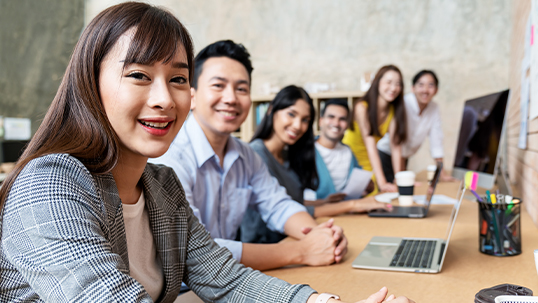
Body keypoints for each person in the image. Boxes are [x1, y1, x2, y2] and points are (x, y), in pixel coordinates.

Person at [0, 3, 416, 303]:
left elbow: (226, 279)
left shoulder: (162, 187)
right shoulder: (49, 182)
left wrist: (320, 302)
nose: (164, 98)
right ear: (91, 84)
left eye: (177, 78)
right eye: (140, 76)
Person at [151, 40, 348, 271]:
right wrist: (301, 251)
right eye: (218, 85)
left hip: (230, 279)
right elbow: (193, 251)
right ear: (191, 96)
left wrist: (322, 237)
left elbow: (278, 205)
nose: (231, 98)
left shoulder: (245, 155)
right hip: (182, 289)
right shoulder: (168, 157)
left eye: (241, 89)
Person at [240, 87, 389, 244]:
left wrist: (324, 202)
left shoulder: (288, 155)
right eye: (291, 114)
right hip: (267, 245)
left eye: (305, 120)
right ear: (271, 110)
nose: (298, 125)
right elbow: (281, 210)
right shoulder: (256, 154)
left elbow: (291, 202)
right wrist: (353, 204)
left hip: (291, 238)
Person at [377, 70, 454, 182]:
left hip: (404, 157)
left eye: (431, 85)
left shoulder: (434, 108)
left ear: (436, 90)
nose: (425, 90)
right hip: (386, 155)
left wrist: (442, 174)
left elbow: (436, 141)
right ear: (413, 88)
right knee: (391, 191)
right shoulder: (403, 103)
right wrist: (401, 176)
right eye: (421, 85)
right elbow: (397, 144)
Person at [342, 65, 407, 195]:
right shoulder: (362, 107)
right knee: (370, 194)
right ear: (377, 83)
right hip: (350, 159)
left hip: (369, 161)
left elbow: (395, 147)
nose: (393, 88)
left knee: (379, 196)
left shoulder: (393, 111)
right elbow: (371, 145)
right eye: (388, 82)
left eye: (397, 84)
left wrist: (400, 180)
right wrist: (382, 182)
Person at [315, 98, 377, 200]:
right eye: (331, 117)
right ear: (321, 121)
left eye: (342, 119)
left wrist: (367, 186)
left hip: (346, 212)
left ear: (347, 125)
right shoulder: (307, 151)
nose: (336, 123)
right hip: (316, 213)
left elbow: (356, 187)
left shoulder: (348, 152)